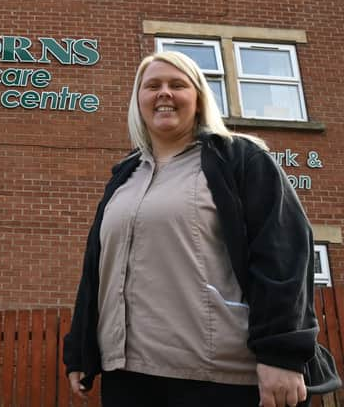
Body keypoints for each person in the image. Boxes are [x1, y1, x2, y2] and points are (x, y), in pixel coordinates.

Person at [63, 51, 340, 407]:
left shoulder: (240, 159)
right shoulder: (124, 177)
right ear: (138, 101)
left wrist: (281, 355)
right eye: (152, 86)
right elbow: (96, 272)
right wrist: (82, 351)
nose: (164, 93)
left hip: (220, 377)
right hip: (129, 378)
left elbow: (283, 258)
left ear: (198, 99)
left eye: (177, 84)